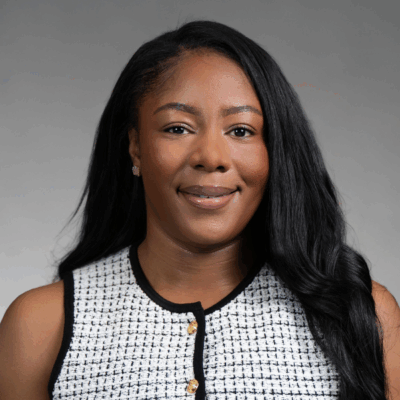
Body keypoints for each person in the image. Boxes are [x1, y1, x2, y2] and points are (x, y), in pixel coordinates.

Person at [0, 20, 399, 400]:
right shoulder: (41, 324)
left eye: (241, 131)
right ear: (135, 146)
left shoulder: (360, 312)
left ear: (275, 149)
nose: (211, 157)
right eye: (177, 128)